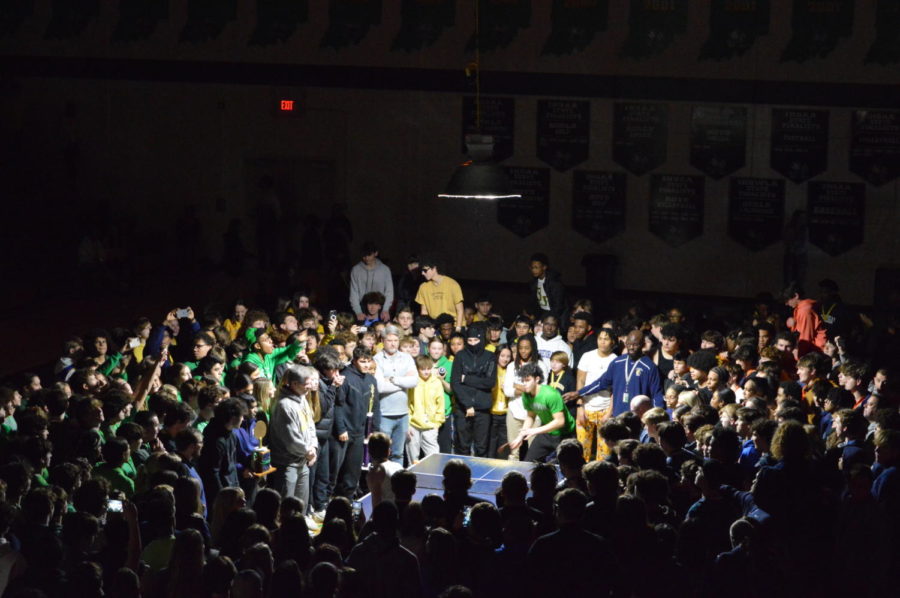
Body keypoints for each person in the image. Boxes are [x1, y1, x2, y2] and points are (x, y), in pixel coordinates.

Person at [567, 329, 664, 417]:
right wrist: (579, 392)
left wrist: (656, 419)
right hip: (618, 415)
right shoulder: (617, 362)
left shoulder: (649, 367)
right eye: (629, 344)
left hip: (638, 417)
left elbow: (656, 394)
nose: (631, 347)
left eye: (635, 344)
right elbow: (601, 383)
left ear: (643, 345)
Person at [269, 365, 319, 511]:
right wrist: (307, 451)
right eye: (306, 384)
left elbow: (310, 425)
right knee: (286, 506)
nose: (310, 387)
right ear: (295, 384)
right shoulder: (284, 405)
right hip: (287, 463)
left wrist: (313, 448)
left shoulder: (302, 397)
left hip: (303, 460)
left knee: (301, 504)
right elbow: (291, 438)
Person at [333, 347, 380, 499]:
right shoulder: (345, 378)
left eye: (368, 361)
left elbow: (376, 406)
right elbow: (338, 405)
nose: (366, 365)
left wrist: (374, 429)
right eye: (362, 362)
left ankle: (348, 502)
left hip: (360, 433)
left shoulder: (371, 380)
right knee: (335, 471)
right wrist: (341, 429)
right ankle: (329, 502)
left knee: (353, 471)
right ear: (354, 361)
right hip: (344, 433)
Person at [509, 363, 576, 462]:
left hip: (565, 434)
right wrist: (520, 436)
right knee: (528, 463)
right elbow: (530, 416)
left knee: (567, 467)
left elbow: (560, 421)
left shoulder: (550, 394)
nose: (524, 384)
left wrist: (534, 431)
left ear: (537, 379)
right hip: (546, 433)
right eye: (523, 381)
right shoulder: (526, 395)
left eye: (528, 380)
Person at [373, 325, 419, 464]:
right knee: (382, 454)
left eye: (395, 340)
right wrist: (403, 381)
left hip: (403, 414)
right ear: (383, 340)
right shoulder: (377, 359)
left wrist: (393, 379)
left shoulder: (407, 358)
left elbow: (414, 381)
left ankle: (396, 484)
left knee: (398, 454)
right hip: (384, 414)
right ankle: (381, 484)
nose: (393, 343)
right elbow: (380, 387)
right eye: (389, 340)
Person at [450, 323, 497, 457]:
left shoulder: (490, 357)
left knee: (481, 448)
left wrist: (466, 379)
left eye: (475, 340)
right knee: (462, 447)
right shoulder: (460, 356)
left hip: (483, 410)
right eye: (469, 340)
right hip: (463, 409)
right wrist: (468, 405)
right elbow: (455, 383)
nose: (472, 343)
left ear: (481, 339)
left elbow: (489, 382)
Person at [575, 327, 617, 461]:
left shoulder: (615, 360)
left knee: (604, 454)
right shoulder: (587, 356)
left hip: (605, 409)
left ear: (612, 342)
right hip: (586, 408)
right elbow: (580, 381)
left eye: (606, 339)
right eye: (600, 338)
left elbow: (615, 389)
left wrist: (609, 413)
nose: (602, 342)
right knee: (582, 451)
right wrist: (580, 407)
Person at [197, 398, 245, 508]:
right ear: (233, 418)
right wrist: (222, 497)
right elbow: (213, 472)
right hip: (222, 495)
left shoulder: (232, 434)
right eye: (241, 416)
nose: (243, 419)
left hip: (232, 488)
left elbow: (231, 465)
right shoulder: (215, 440)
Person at [406, 355, 445, 464]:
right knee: (413, 460)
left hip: (431, 426)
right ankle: (411, 479)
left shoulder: (436, 382)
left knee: (434, 458)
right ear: (417, 369)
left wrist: (437, 423)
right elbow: (408, 403)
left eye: (428, 369)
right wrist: (408, 423)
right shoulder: (413, 382)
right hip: (413, 425)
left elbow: (440, 404)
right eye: (423, 369)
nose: (426, 372)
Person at [414, 256, 465, 331]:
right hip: (436, 326)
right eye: (421, 271)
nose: (422, 273)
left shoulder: (452, 284)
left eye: (425, 270)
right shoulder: (423, 287)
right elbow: (424, 311)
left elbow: (460, 309)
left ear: (434, 268)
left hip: (453, 325)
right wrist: (426, 327)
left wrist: (458, 327)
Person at [349, 241, 394, 321]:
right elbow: (354, 293)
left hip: (380, 309)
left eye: (369, 255)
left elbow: (389, 291)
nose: (366, 258)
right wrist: (358, 311)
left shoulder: (385, 270)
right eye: (364, 256)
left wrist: (385, 309)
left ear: (376, 253)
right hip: (362, 309)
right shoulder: (356, 270)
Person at [782, 282, 827, 356]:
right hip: (814, 350)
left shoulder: (805, 310)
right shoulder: (803, 308)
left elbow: (805, 338)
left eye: (787, 300)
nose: (786, 303)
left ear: (796, 296)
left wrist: (799, 358)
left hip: (814, 351)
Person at [528, 253, 567, 323]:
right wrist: (532, 313)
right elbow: (534, 301)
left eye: (536, 267)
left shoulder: (554, 283)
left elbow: (558, 306)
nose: (533, 270)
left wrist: (550, 317)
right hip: (543, 313)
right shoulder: (534, 282)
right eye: (532, 267)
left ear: (544, 267)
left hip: (554, 315)